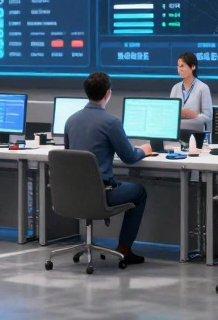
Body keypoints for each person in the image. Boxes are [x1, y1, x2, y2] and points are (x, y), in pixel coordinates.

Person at [64, 71, 154, 265]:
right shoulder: (111, 122)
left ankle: (122, 248)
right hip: (101, 194)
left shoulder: (70, 121)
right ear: (108, 93)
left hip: (73, 194)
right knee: (140, 192)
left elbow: (68, 157)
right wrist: (144, 150)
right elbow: (129, 157)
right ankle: (124, 249)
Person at [170, 52, 213, 143]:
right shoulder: (175, 88)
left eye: (182, 66)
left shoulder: (203, 88)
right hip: (177, 136)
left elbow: (208, 117)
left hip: (197, 135)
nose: (179, 69)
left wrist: (188, 113)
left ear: (193, 67)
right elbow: (171, 115)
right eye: (178, 66)